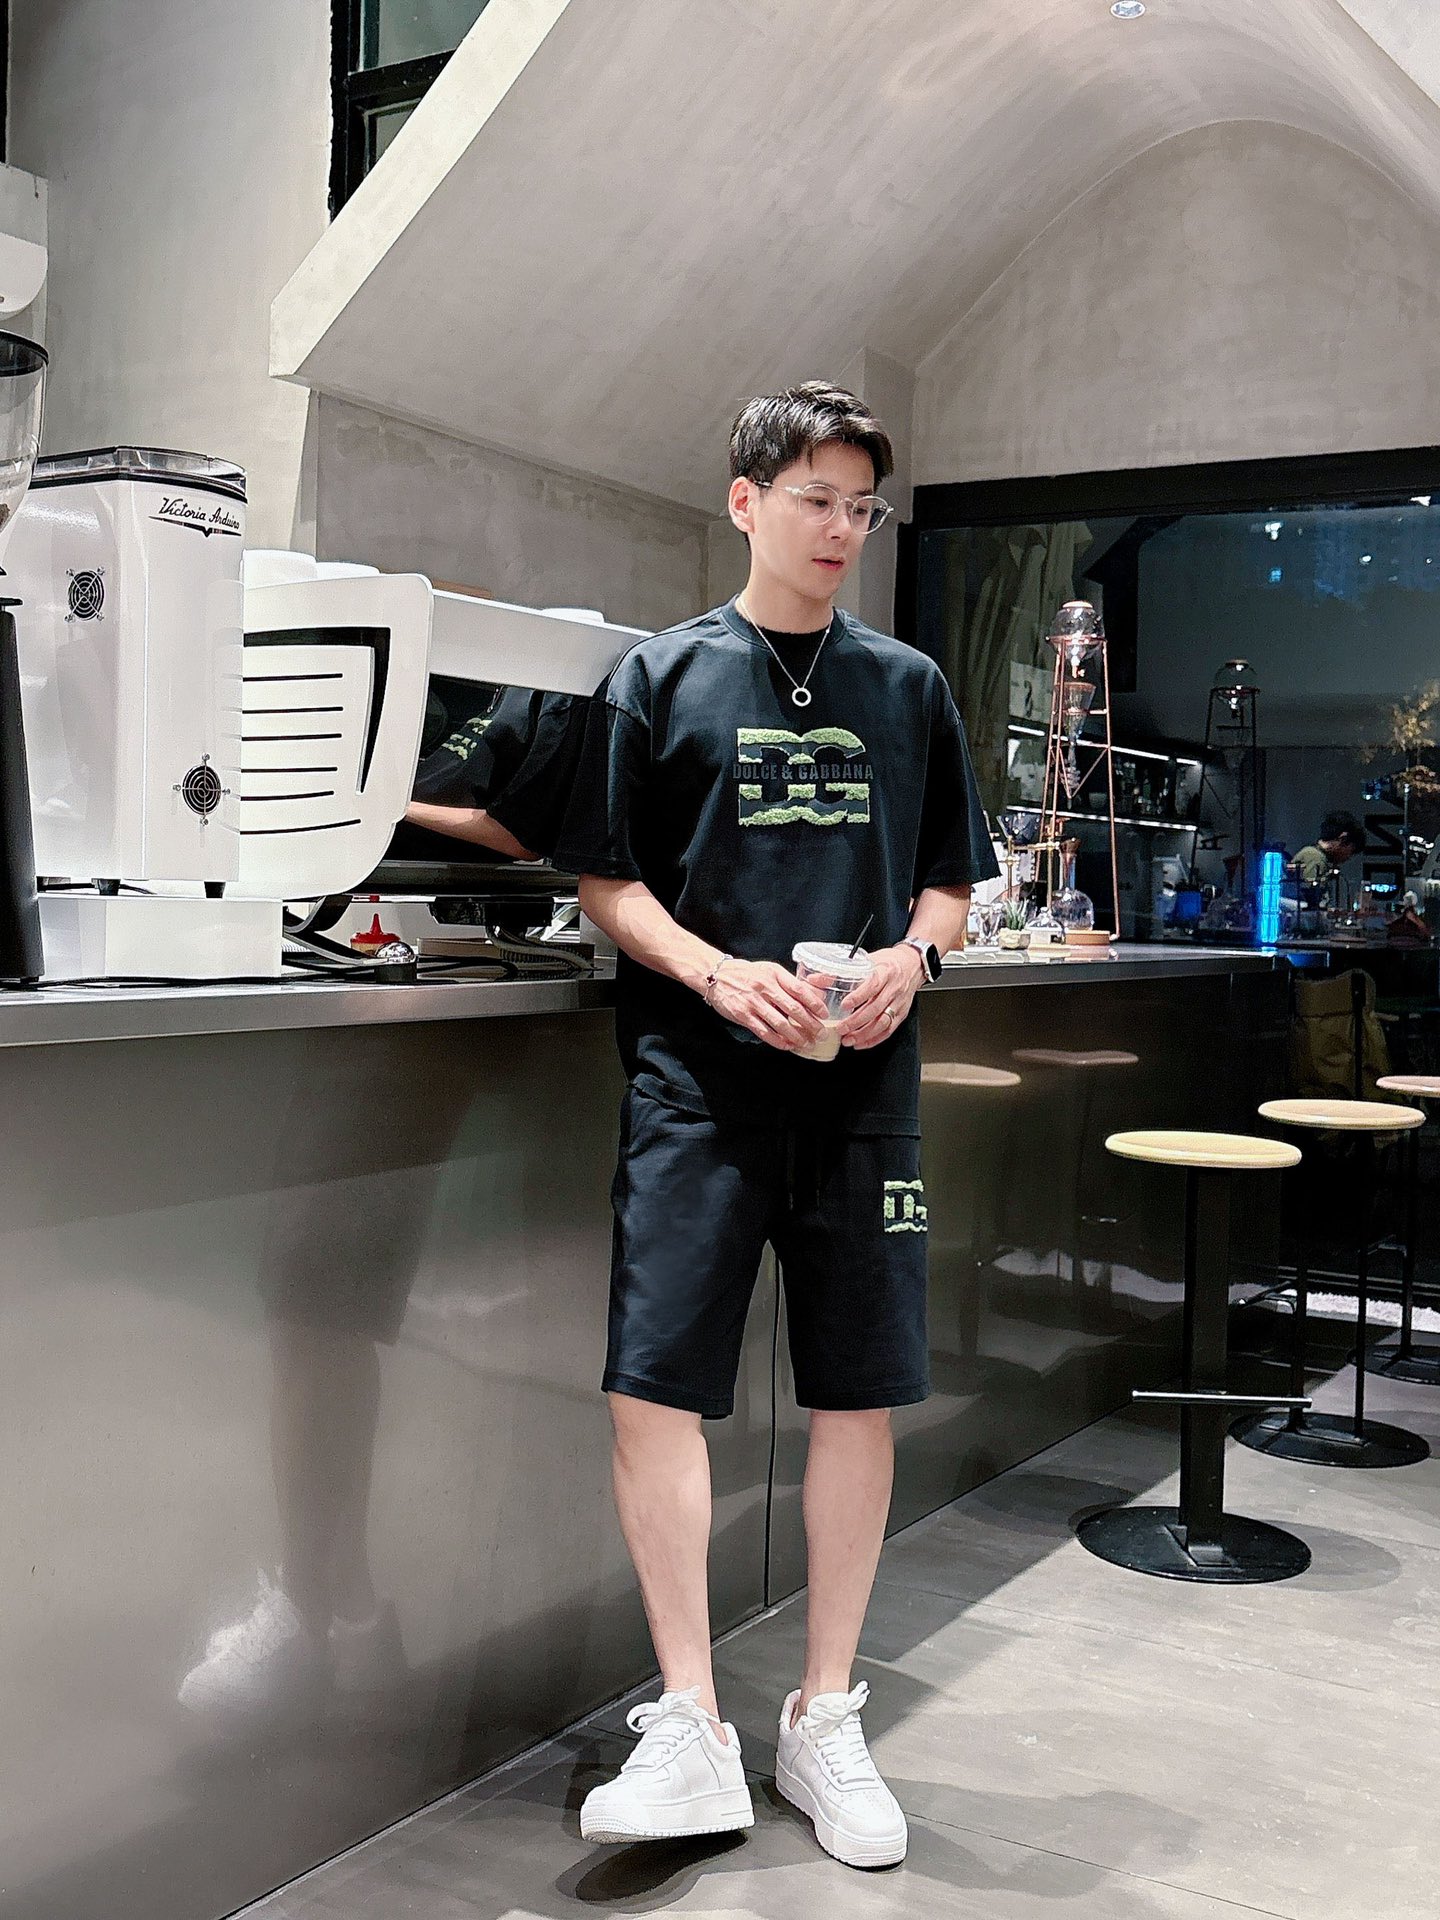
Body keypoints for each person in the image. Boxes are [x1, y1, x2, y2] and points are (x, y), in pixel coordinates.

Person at [555, 381, 997, 1868]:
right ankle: (691, 1722)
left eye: (862, 508)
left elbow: (950, 880)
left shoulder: (907, 686)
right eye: (815, 499)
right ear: (745, 501)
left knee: (857, 1390)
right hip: (696, 1085)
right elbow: (607, 882)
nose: (841, 530)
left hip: (863, 1092)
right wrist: (713, 972)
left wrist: (913, 960)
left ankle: (823, 1714)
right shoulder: (660, 676)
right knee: (654, 1384)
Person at [1292, 809, 1366, 893]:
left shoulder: (1315, 855)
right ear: (1343, 839)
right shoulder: (1315, 857)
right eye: (1351, 851)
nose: (1348, 857)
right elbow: (1309, 894)